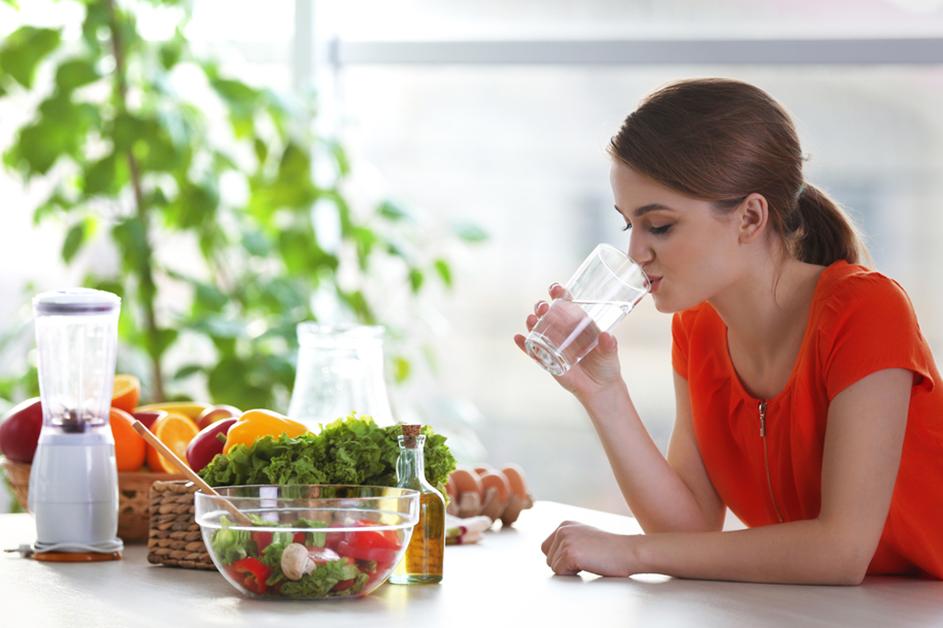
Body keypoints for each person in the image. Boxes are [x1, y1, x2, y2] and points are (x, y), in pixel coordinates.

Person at [514, 78, 943, 585]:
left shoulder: (866, 309)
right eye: (630, 225)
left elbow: (840, 551)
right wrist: (604, 393)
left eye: (661, 226)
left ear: (750, 217)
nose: (636, 256)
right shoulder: (696, 327)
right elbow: (689, 526)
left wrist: (632, 553)